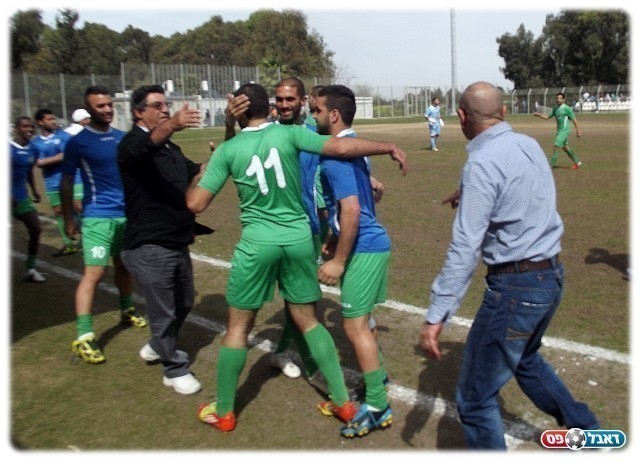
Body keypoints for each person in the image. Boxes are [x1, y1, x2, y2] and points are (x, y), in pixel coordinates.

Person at [186, 82, 406, 433]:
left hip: (257, 245)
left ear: (237, 111)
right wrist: (388, 146)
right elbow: (340, 146)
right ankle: (343, 402)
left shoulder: (229, 150)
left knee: (238, 329)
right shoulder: (290, 134)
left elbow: (195, 204)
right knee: (309, 321)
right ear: (269, 107)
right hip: (299, 240)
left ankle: (225, 411)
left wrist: (203, 169)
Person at [420, 82, 599, 449]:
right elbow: (521, 184)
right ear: (502, 113)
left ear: (462, 116)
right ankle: (588, 431)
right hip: (551, 277)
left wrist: (438, 314)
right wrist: (469, 193)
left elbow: (465, 247)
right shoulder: (528, 144)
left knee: (474, 399)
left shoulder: (481, 163)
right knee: (527, 359)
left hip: (517, 289)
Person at [313, 85, 393, 438]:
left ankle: (377, 407)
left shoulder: (336, 156)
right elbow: (357, 200)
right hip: (369, 244)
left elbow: (352, 209)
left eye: (316, 110)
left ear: (333, 115)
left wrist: (339, 261)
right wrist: (333, 238)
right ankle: (379, 377)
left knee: (354, 326)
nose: (312, 116)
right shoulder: (354, 147)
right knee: (364, 319)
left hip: (364, 248)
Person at [117, 85, 205, 394]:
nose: (165, 109)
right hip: (149, 244)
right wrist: (173, 124)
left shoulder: (170, 148)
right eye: (157, 105)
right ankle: (173, 368)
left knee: (185, 301)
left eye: (166, 105)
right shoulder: (131, 144)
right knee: (163, 310)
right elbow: (145, 146)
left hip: (177, 240)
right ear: (138, 112)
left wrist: (225, 152)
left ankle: (157, 344)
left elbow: (196, 172)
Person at [61, 85, 147, 365]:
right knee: (94, 273)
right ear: (89, 110)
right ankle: (84, 335)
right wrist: (68, 218)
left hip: (126, 215)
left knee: (124, 265)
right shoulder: (78, 143)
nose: (108, 109)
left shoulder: (122, 138)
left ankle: (127, 309)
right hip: (97, 216)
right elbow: (66, 181)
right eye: (101, 106)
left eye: (109, 104)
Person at [31, 108, 82, 256]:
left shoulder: (64, 136)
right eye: (49, 119)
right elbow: (38, 163)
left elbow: (65, 156)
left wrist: (46, 161)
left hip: (72, 178)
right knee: (59, 212)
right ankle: (69, 244)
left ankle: (87, 238)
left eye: (54, 119)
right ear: (40, 122)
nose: (53, 121)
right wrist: (52, 159)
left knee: (78, 207)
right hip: (51, 181)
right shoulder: (36, 143)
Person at [11, 116, 45, 283]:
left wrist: (35, 191)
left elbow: (29, 171)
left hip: (21, 197)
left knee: (36, 229)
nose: (29, 129)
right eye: (25, 126)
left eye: (31, 127)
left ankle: (30, 269)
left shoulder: (34, 149)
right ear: (16, 129)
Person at [533, 92, 582, 170]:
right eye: (557, 98)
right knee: (565, 147)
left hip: (565, 131)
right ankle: (577, 162)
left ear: (563, 100)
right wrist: (539, 114)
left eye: (560, 98)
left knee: (556, 146)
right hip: (559, 131)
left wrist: (578, 131)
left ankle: (551, 165)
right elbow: (548, 117)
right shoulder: (555, 109)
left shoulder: (567, 108)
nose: (558, 100)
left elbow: (574, 119)